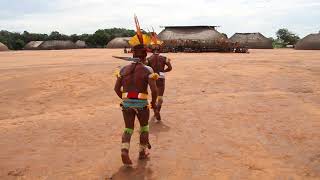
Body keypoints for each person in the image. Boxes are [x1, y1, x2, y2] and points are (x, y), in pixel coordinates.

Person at [113, 16, 158, 166]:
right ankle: (142, 152)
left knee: (128, 128)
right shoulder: (148, 69)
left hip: (126, 103)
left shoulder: (123, 68)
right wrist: (152, 102)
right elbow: (154, 90)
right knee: (144, 127)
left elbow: (116, 88)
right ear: (145, 55)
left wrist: (124, 100)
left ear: (132, 54)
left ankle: (124, 151)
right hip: (141, 103)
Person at [147, 33, 172, 121]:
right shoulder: (164, 58)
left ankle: (155, 111)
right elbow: (170, 68)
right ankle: (157, 110)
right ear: (160, 49)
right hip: (161, 77)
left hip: (153, 78)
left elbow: (146, 68)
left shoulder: (149, 59)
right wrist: (163, 71)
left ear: (151, 50)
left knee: (154, 95)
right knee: (160, 97)